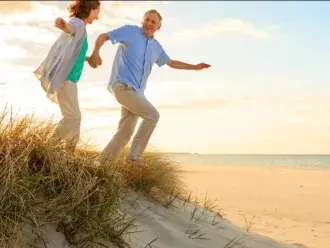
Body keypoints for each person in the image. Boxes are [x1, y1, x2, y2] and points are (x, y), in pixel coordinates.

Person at [89, 9, 210, 168]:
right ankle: (133, 157)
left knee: (125, 133)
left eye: (153, 22)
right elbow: (103, 36)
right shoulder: (130, 31)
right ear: (142, 21)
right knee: (152, 115)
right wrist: (95, 53)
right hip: (122, 86)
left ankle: (100, 165)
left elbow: (172, 63)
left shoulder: (156, 47)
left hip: (137, 93)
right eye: (147, 20)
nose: (149, 24)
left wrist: (194, 67)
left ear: (158, 27)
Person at [34, 0, 101, 150]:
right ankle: (46, 149)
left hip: (70, 79)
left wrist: (88, 58)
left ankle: (68, 155)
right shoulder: (78, 23)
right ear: (89, 9)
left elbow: (73, 52)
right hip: (66, 78)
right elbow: (71, 28)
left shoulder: (81, 27)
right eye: (97, 12)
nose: (97, 17)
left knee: (75, 120)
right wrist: (65, 27)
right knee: (72, 117)